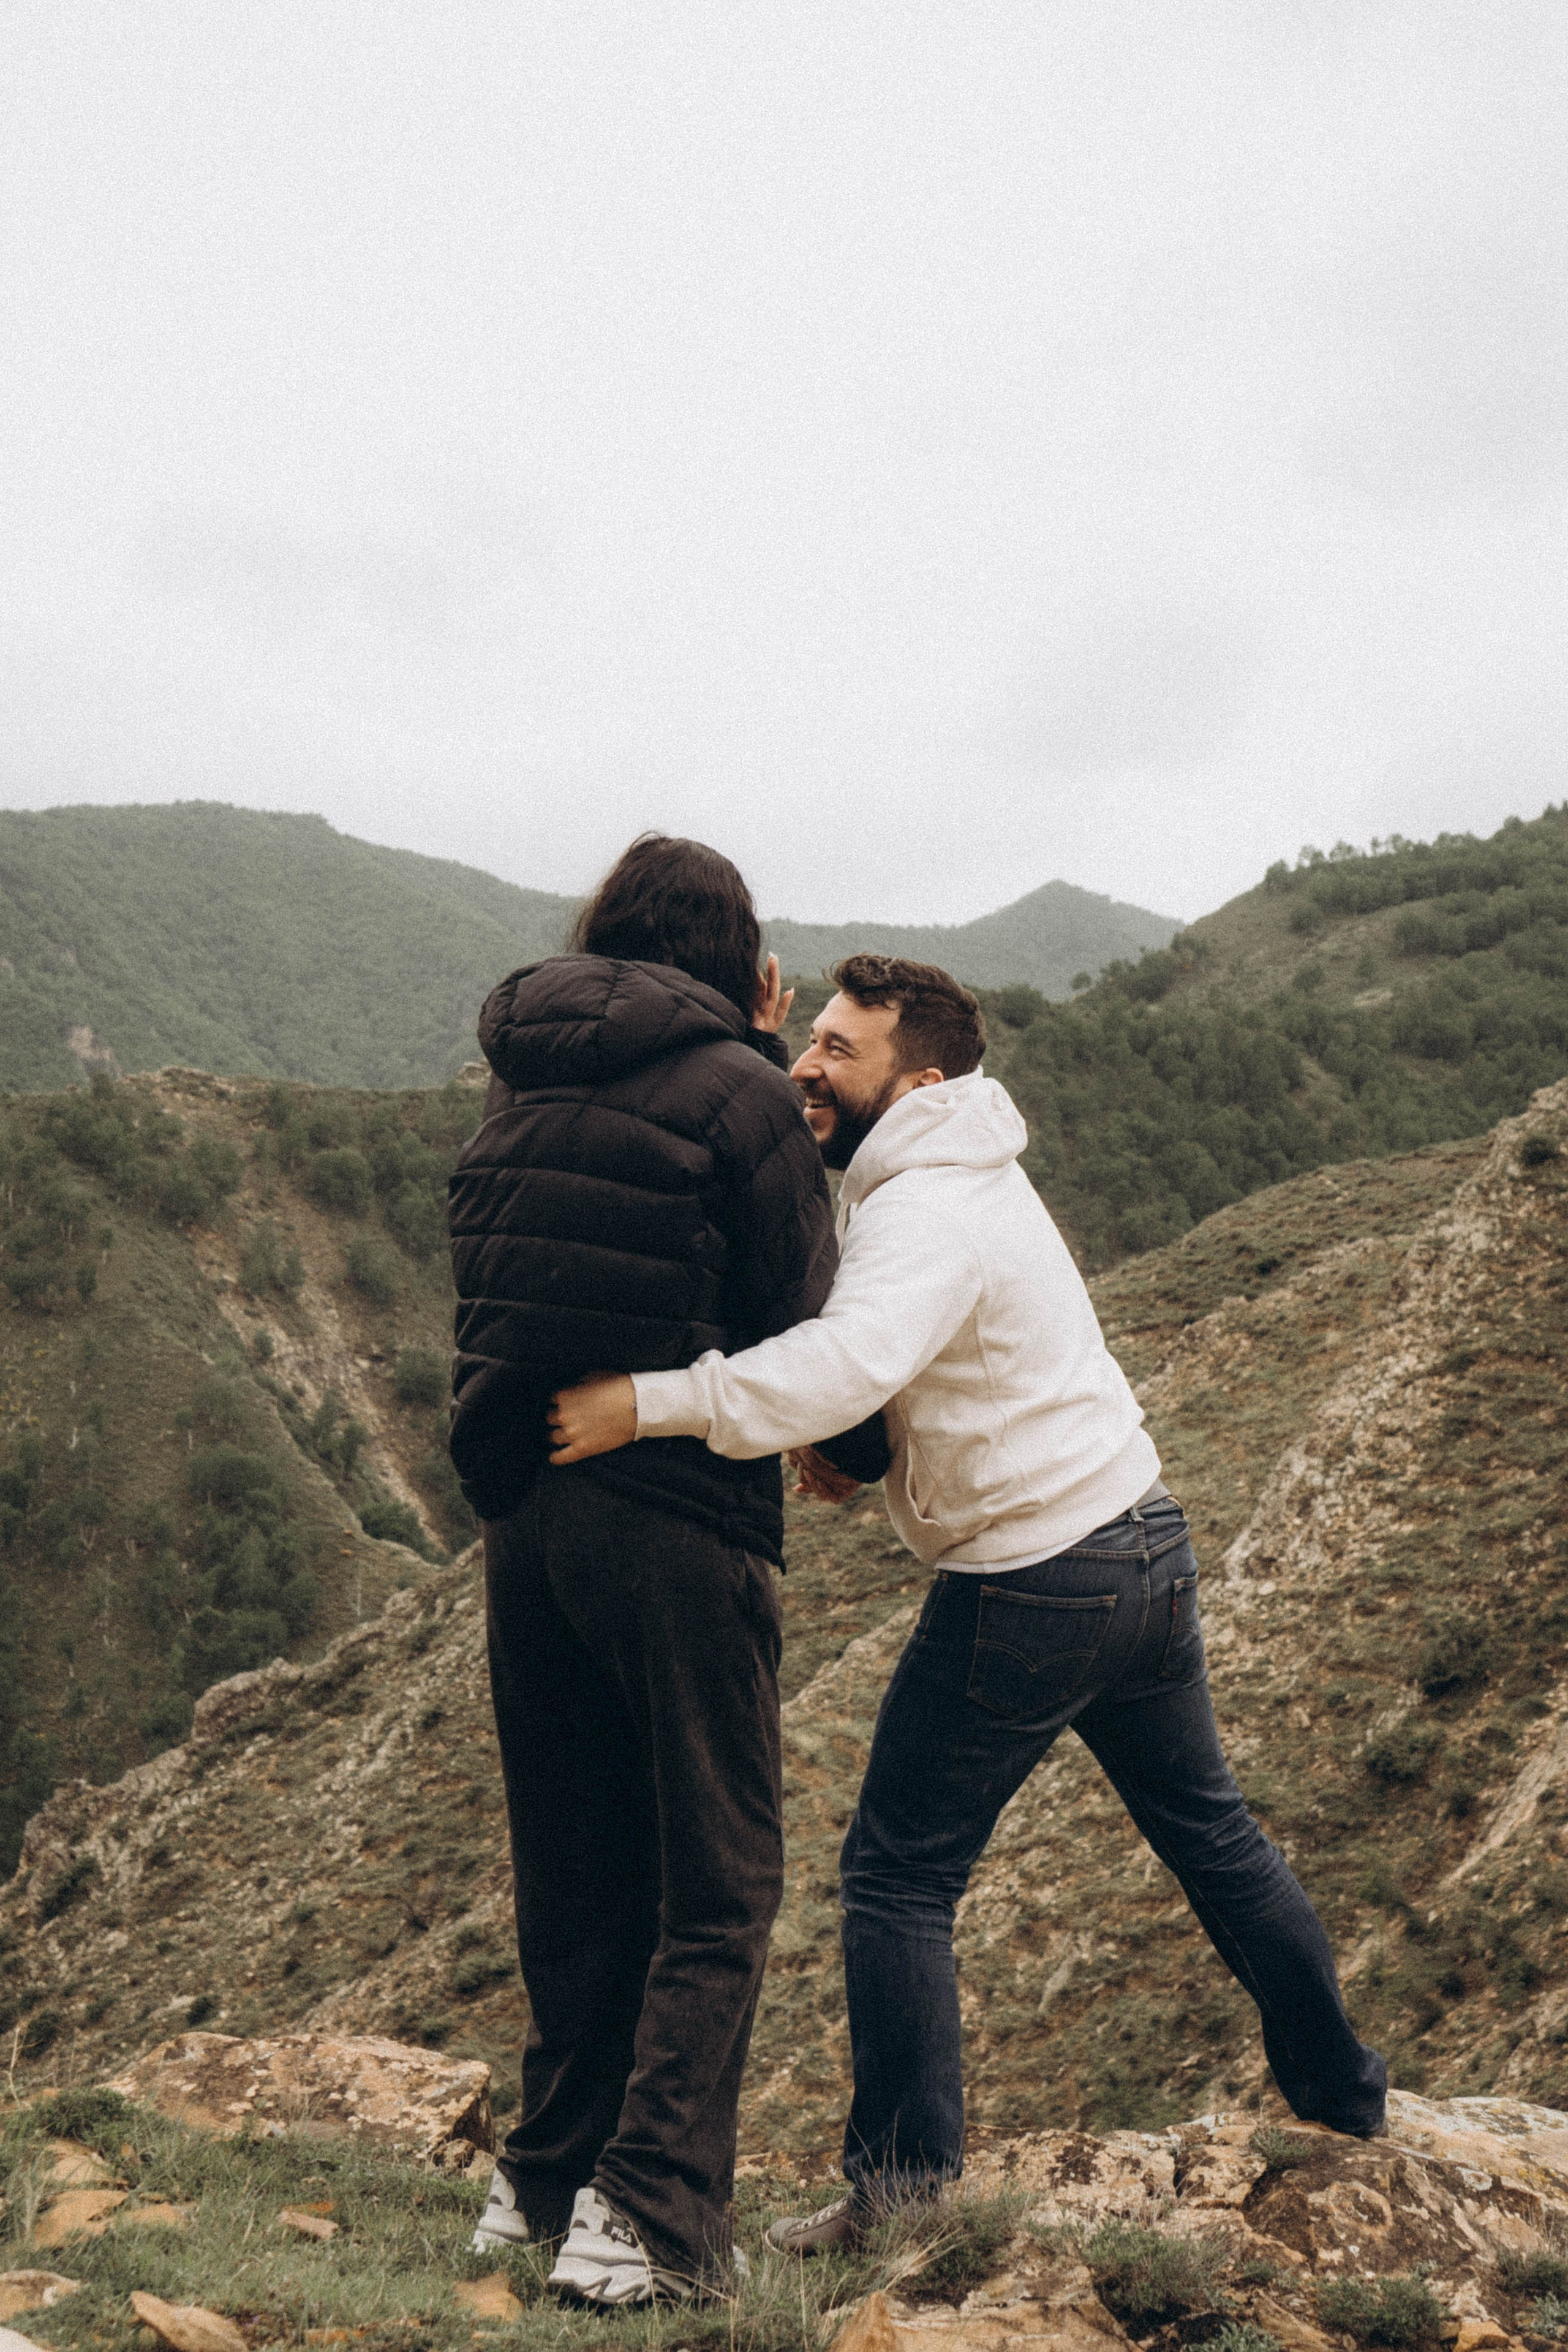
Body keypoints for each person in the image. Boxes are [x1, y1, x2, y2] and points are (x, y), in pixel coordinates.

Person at [546, 952, 1388, 2252]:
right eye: (809, 1038)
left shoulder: (923, 1204)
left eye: (839, 1051)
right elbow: (912, 1366)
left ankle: (896, 2201)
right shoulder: (970, 1171)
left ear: (918, 1079)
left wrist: (644, 1403)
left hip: (1035, 1578)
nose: (805, 1067)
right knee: (1212, 1839)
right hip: (1140, 1539)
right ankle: (1346, 2099)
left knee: (893, 1877)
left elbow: (844, 1362)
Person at [447, 835, 874, 2304]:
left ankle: (542, 2180)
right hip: (680, 1524)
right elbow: (804, 1321)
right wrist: (859, 1454)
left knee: (575, 1866)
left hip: (527, 1517)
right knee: (719, 1877)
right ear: (743, 965)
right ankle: (650, 2214)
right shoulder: (747, 1092)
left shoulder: (521, 1071)